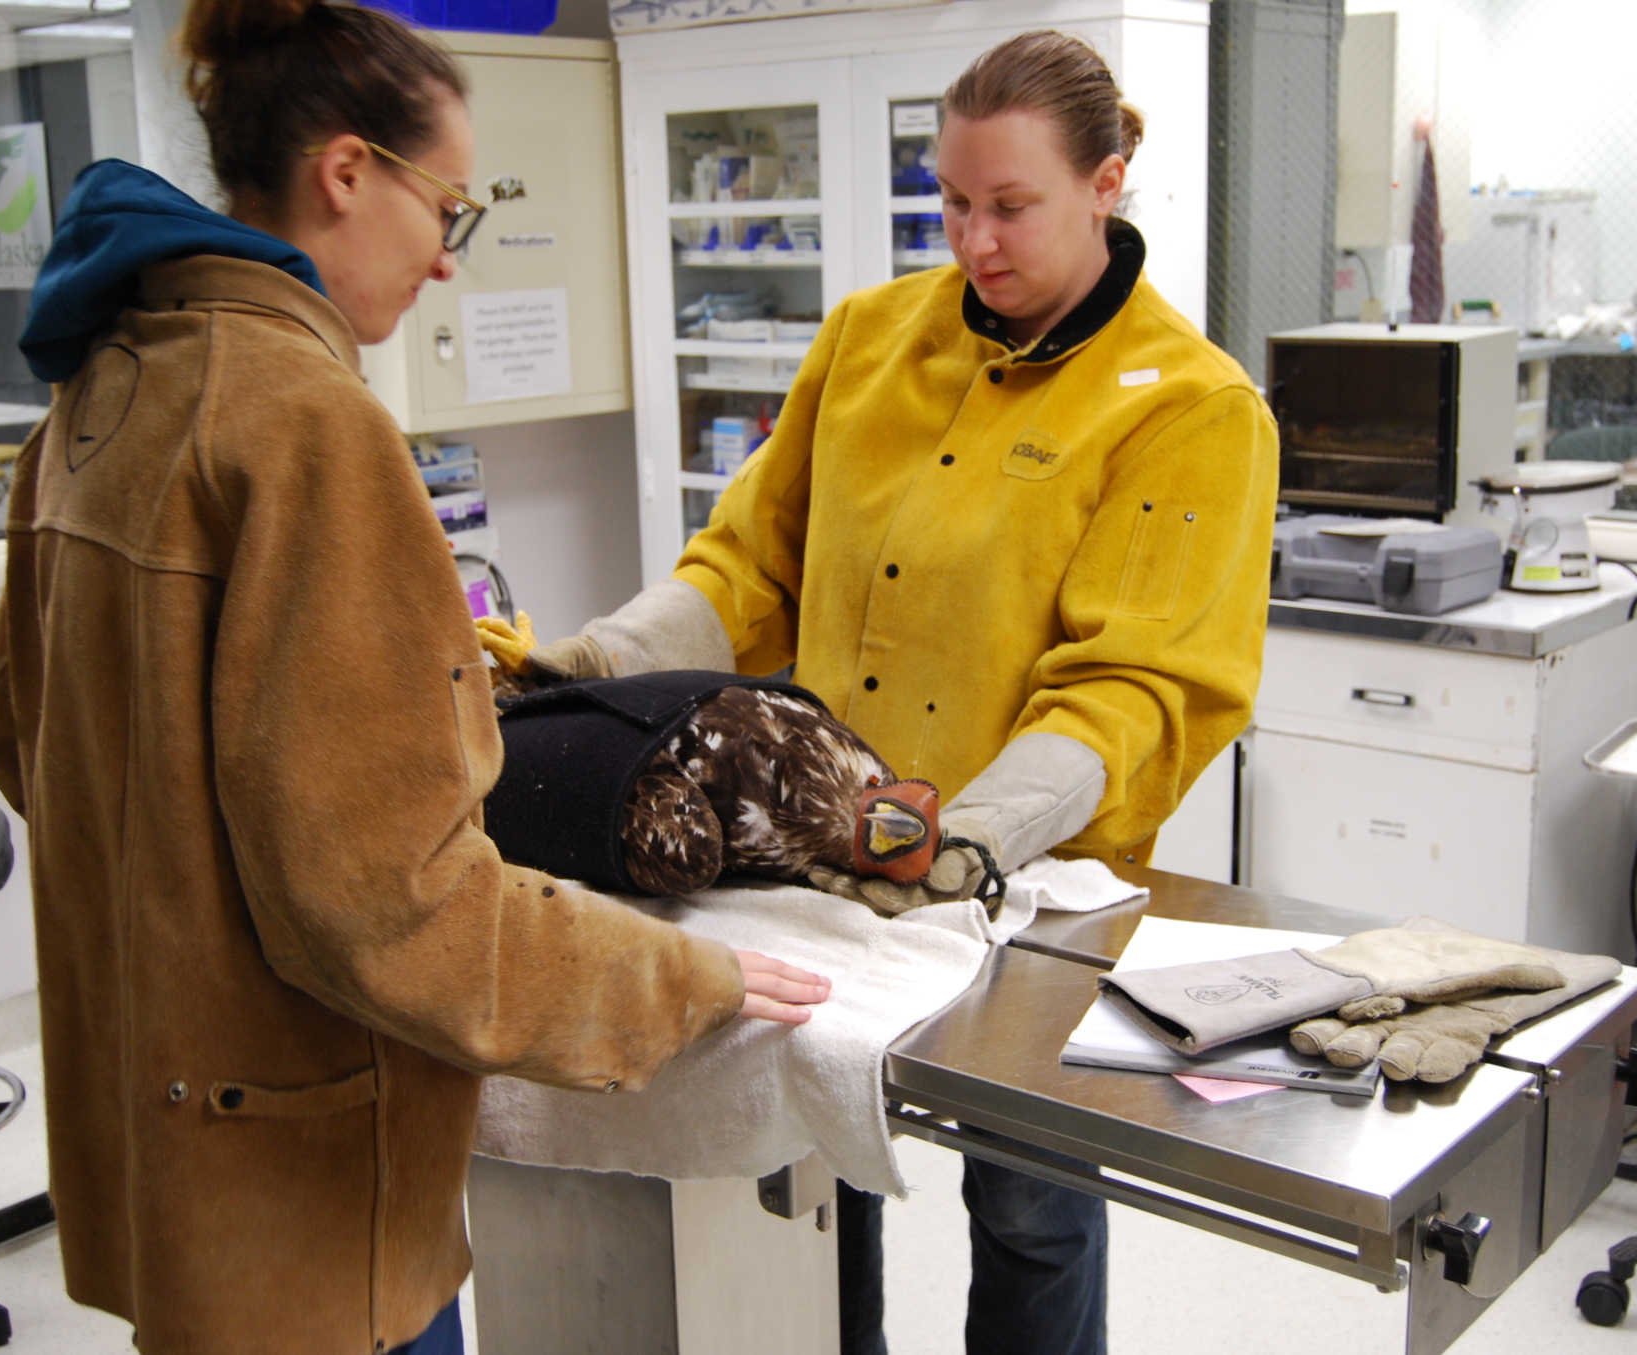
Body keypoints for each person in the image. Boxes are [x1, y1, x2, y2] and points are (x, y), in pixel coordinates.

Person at [0, 2, 828, 1352]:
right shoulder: (307, 425)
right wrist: (675, 977)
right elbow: (388, 903)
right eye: (450, 210)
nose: (447, 264)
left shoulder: (105, 382)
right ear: (348, 173)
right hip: (303, 1170)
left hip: (170, 1134)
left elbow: (18, 732)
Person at [516, 30, 1278, 1355]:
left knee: (1032, 1202)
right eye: (954, 203)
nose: (975, 242)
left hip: (1030, 885)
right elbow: (751, 558)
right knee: (821, 1162)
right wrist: (602, 661)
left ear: (1108, 182)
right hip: (826, 860)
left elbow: (1136, 688)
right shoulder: (872, 340)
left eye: (1012, 207)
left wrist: (965, 840)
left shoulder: (1193, 408)